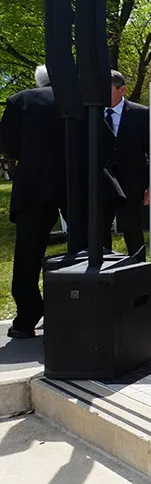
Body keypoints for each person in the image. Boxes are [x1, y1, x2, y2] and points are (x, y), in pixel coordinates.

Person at [0, 65, 66, 338]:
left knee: (28, 253)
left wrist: (30, 157)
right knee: (87, 246)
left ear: (38, 82)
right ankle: (82, 303)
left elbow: (6, 143)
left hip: (34, 184)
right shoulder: (82, 99)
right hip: (76, 181)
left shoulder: (20, 101)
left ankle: (27, 316)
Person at [102, 70, 150, 261]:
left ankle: (139, 277)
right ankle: (103, 276)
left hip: (131, 185)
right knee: (100, 233)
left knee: (133, 233)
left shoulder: (141, 113)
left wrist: (150, 184)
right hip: (102, 184)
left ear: (122, 90)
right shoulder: (93, 113)